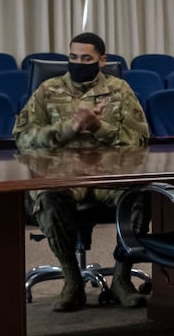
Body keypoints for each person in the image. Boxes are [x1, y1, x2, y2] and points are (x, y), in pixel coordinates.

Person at [13, 31, 152, 312]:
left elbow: (139, 139)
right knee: (50, 198)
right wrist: (70, 129)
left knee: (140, 194)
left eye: (86, 58)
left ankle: (122, 279)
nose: (78, 62)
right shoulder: (48, 90)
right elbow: (23, 138)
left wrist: (98, 127)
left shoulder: (120, 90)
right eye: (73, 57)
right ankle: (71, 279)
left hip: (108, 176)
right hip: (62, 176)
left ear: (102, 60)